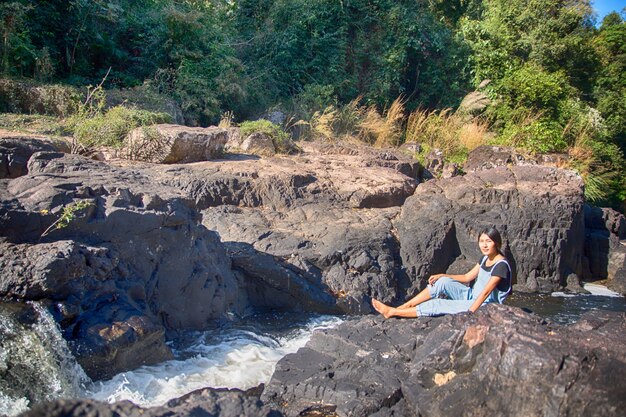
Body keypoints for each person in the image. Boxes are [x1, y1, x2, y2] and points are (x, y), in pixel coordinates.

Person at [372, 227, 511, 318]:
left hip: (485, 305)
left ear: (496, 243)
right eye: (481, 241)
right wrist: (443, 275)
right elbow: (467, 277)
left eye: (488, 241)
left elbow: (486, 292)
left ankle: (393, 312)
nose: (484, 245)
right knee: (441, 282)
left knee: (439, 304)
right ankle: (405, 306)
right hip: (472, 296)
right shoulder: (485, 258)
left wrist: (470, 313)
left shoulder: (501, 265)